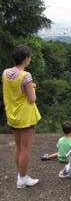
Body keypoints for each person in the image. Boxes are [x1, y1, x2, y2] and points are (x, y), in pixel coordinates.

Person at [2, 44, 41, 188]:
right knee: (25, 149)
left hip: (12, 115)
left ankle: (20, 175)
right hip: (25, 117)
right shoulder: (26, 76)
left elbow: (14, 89)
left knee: (18, 148)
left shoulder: (6, 73)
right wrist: (32, 89)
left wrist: (29, 86)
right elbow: (32, 99)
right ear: (25, 59)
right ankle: (23, 179)